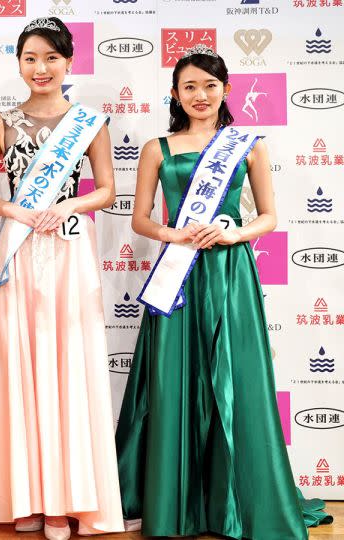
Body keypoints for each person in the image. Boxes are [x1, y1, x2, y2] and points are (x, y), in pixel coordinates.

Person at [115, 44, 333, 539]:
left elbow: (270, 217)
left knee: (237, 384)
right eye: (189, 86)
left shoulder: (248, 144)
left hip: (230, 272)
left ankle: (238, 503)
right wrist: (176, 235)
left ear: (226, 90)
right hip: (179, 275)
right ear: (175, 93)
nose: (200, 95)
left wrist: (234, 232)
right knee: (174, 382)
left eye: (210, 86)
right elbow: (141, 218)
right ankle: (175, 506)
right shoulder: (158, 148)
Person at [0, 17, 123, 540]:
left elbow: (106, 190)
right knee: (17, 364)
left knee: (67, 364)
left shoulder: (89, 122)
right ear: (18, 63)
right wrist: (18, 212)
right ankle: (26, 495)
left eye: (51, 58)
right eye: (30, 58)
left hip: (67, 249)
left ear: (69, 62)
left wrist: (67, 204)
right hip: (18, 248)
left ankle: (65, 500)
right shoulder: (0, 122)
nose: (41, 68)